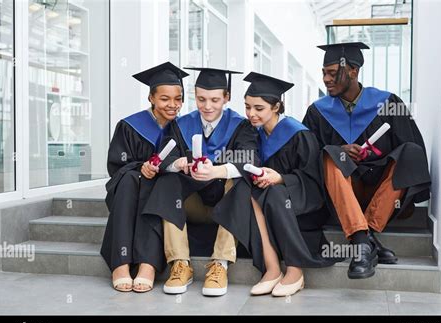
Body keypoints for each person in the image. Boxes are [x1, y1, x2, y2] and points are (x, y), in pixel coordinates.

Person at [303, 42, 431, 279]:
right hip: (342, 190)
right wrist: (338, 149)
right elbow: (305, 156)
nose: (326, 79)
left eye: (333, 73)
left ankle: (365, 232)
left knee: (410, 151)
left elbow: (406, 148)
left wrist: (376, 154)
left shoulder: (387, 103)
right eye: (324, 73)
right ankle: (363, 240)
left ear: (354, 71)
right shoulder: (318, 111)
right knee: (330, 154)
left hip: (380, 192)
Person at [142, 67, 260, 296]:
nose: (208, 106)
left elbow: (251, 160)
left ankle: (220, 264)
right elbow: (166, 157)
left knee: (242, 183)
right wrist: (178, 165)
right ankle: (180, 264)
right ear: (194, 96)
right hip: (192, 204)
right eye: (201, 99)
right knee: (167, 181)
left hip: (227, 205)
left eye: (215, 100)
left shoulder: (241, 126)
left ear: (226, 97)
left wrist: (215, 172)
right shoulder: (181, 124)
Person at [243, 72, 338, 297]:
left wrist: (281, 178)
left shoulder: (298, 134)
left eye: (258, 108)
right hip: (270, 197)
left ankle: (295, 270)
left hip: (304, 201)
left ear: (276, 107)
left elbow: (313, 180)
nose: (251, 114)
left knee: (275, 193)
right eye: (247, 107)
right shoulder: (253, 133)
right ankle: (273, 268)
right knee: (248, 192)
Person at [101, 62, 189, 292]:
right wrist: (141, 167)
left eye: (178, 99)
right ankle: (120, 264)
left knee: (160, 184)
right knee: (130, 181)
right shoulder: (130, 125)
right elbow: (117, 165)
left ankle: (147, 264)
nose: (173, 105)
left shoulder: (183, 128)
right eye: (165, 99)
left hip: (168, 189)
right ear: (151, 97)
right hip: (132, 185)